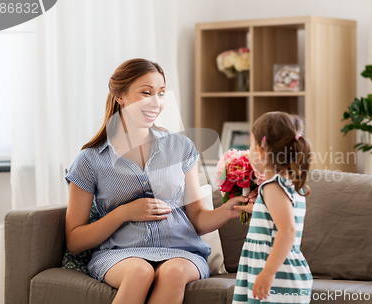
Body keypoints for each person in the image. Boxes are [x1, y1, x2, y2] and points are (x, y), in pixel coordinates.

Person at [64, 58, 254, 304]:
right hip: (121, 254)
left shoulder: (181, 147)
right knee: (139, 272)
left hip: (182, 252)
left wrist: (227, 211)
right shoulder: (90, 160)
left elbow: (197, 218)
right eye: (146, 93)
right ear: (119, 96)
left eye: (161, 93)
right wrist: (123, 213)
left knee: (173, 272)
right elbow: (75, 241)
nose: (156, 102)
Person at [232, 112, 313, 303]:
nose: (249, 151)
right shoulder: (290, 185)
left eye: (251, 146)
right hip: (284, 273)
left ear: (262, 150)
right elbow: (277, 219)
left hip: (277, 276)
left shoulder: (273, 186)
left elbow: (287, 230)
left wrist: (268, 272)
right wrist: (253, 209)